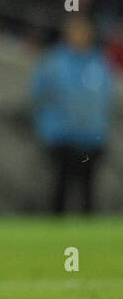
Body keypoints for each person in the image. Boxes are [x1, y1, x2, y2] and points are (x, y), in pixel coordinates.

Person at [31, 17, 113, 214]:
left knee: (88, 188)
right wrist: (45, 126)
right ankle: (56, 232)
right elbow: (38, 94)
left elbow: (105, 98)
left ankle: (87, 234)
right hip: (61, 135)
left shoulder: (99, 62)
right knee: (60, 186)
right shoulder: (54, 62)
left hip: (91, 137)